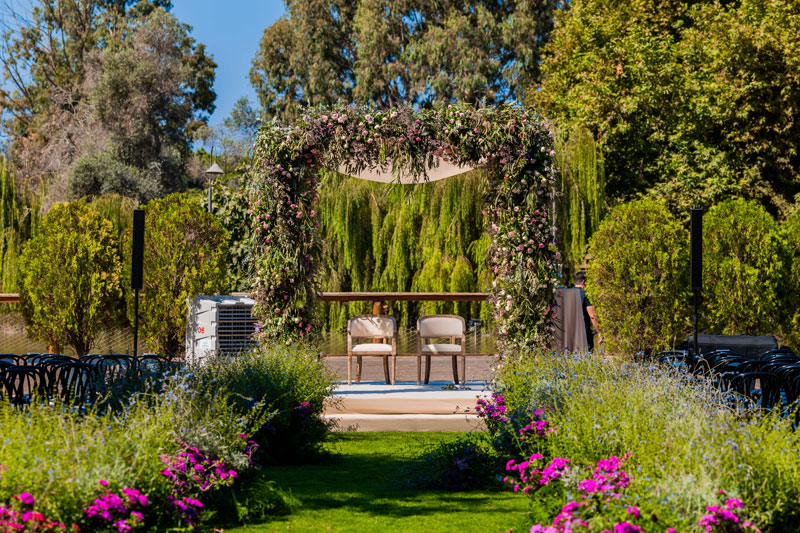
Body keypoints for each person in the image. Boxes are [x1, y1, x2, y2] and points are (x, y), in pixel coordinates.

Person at [574, 271, 602, 351]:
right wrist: (599, 331)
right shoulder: (586, 294)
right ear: (584, 282)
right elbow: (592, 316)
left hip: (568, 332)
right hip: (583, 332)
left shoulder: (566, 293)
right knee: (586, 356)